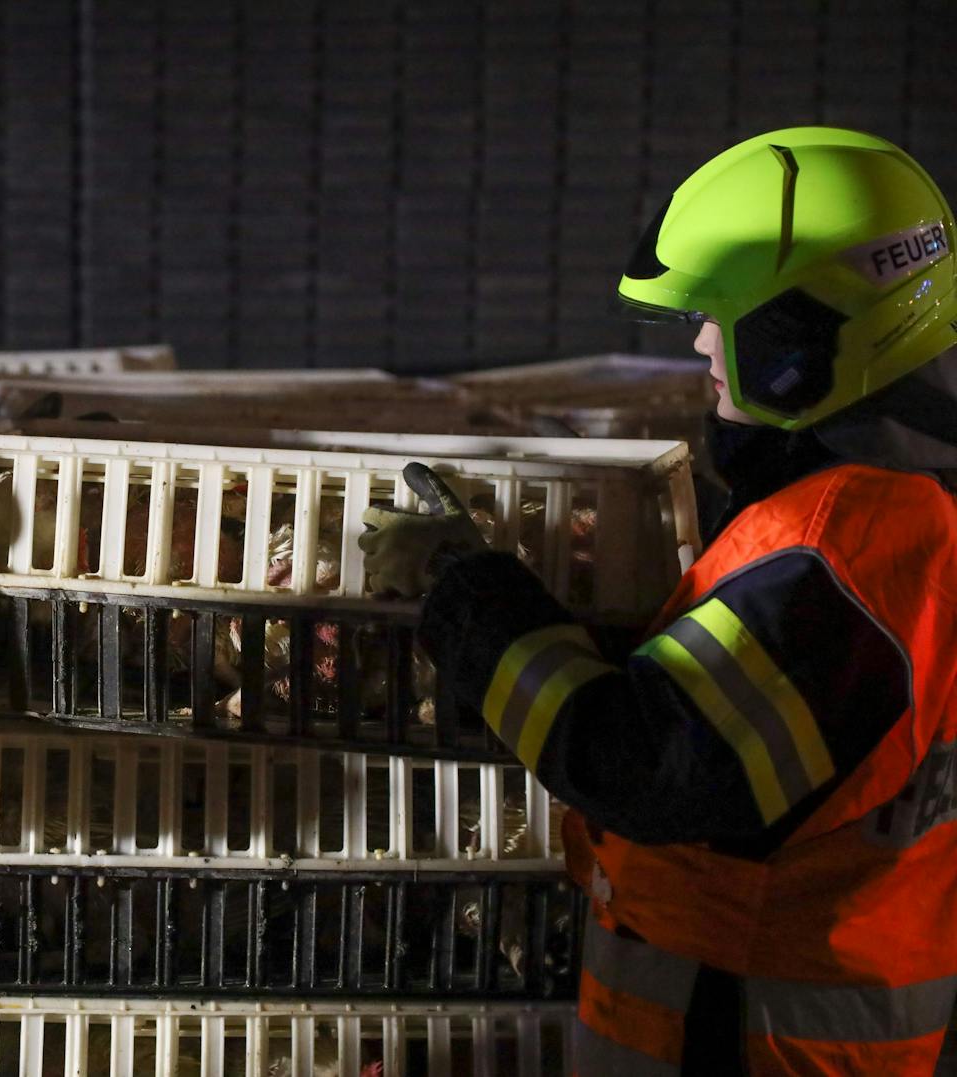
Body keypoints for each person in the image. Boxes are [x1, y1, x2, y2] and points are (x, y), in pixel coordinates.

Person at [360, 126, 957, 1074]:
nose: (703, 340)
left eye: (731, 314)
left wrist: (464, 588)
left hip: (746, 1037)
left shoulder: (848, 549)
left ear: (816, 330)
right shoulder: (873, 513)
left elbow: (642, 760)